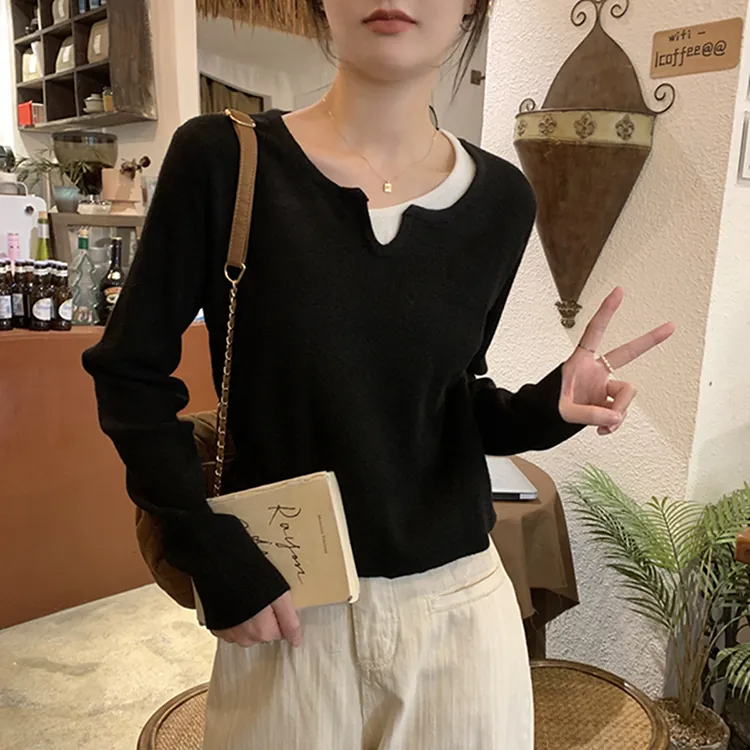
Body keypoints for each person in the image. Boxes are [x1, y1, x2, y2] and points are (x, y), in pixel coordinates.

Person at [83, 1, 675, 747]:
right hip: (289, 609)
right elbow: (130, 371)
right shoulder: (224, 160)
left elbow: (449, 396)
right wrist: (200, 540)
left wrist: (545, 407)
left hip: (459, 611)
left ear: (470, 8)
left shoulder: (502, 199)